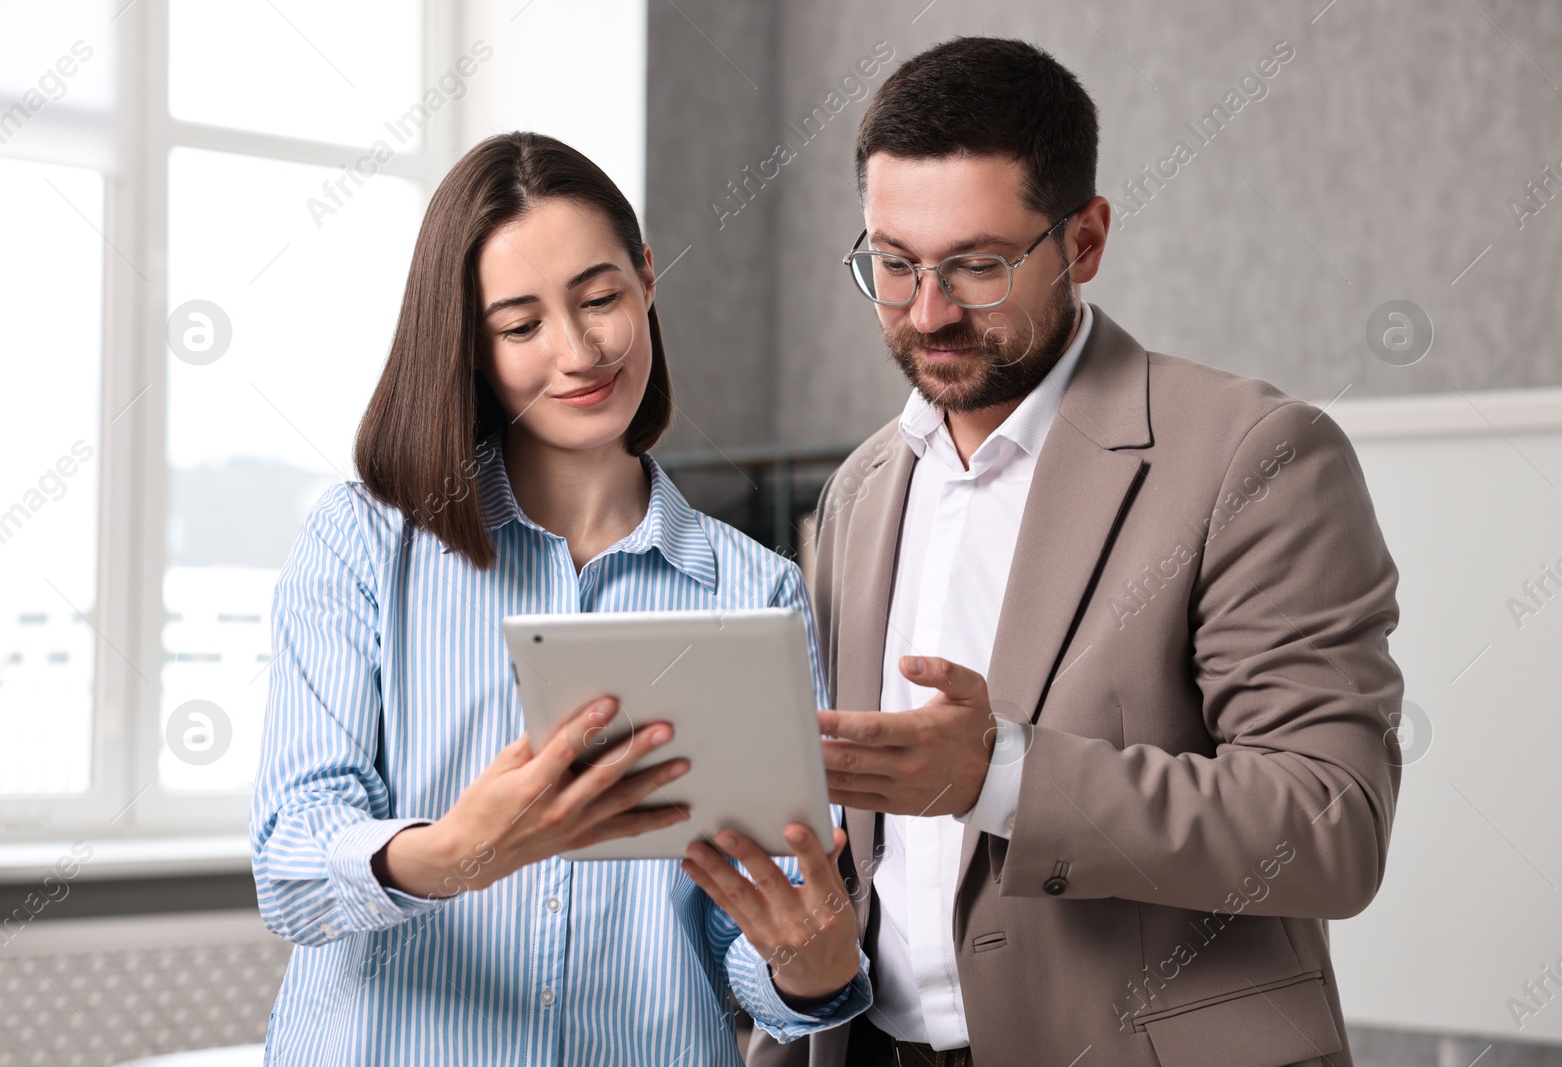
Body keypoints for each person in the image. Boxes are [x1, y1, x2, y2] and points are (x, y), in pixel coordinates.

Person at [748, 37, 1404, 1067]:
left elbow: (1327, 823)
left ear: (1085, 239)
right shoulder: (862, 487)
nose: (927, 312)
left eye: (977, 264)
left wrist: (1000, 772)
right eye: (892, 263)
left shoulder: (1256, 455)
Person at [249, 131, 870, 1067]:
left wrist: (809, 969)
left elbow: (747, 935)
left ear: (647, 278)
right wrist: (457, 849)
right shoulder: (366, 542)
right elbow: (293, 866)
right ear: (470, 342)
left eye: (599, 299)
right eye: (520, 325)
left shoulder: (758, 588)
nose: (579, 352)